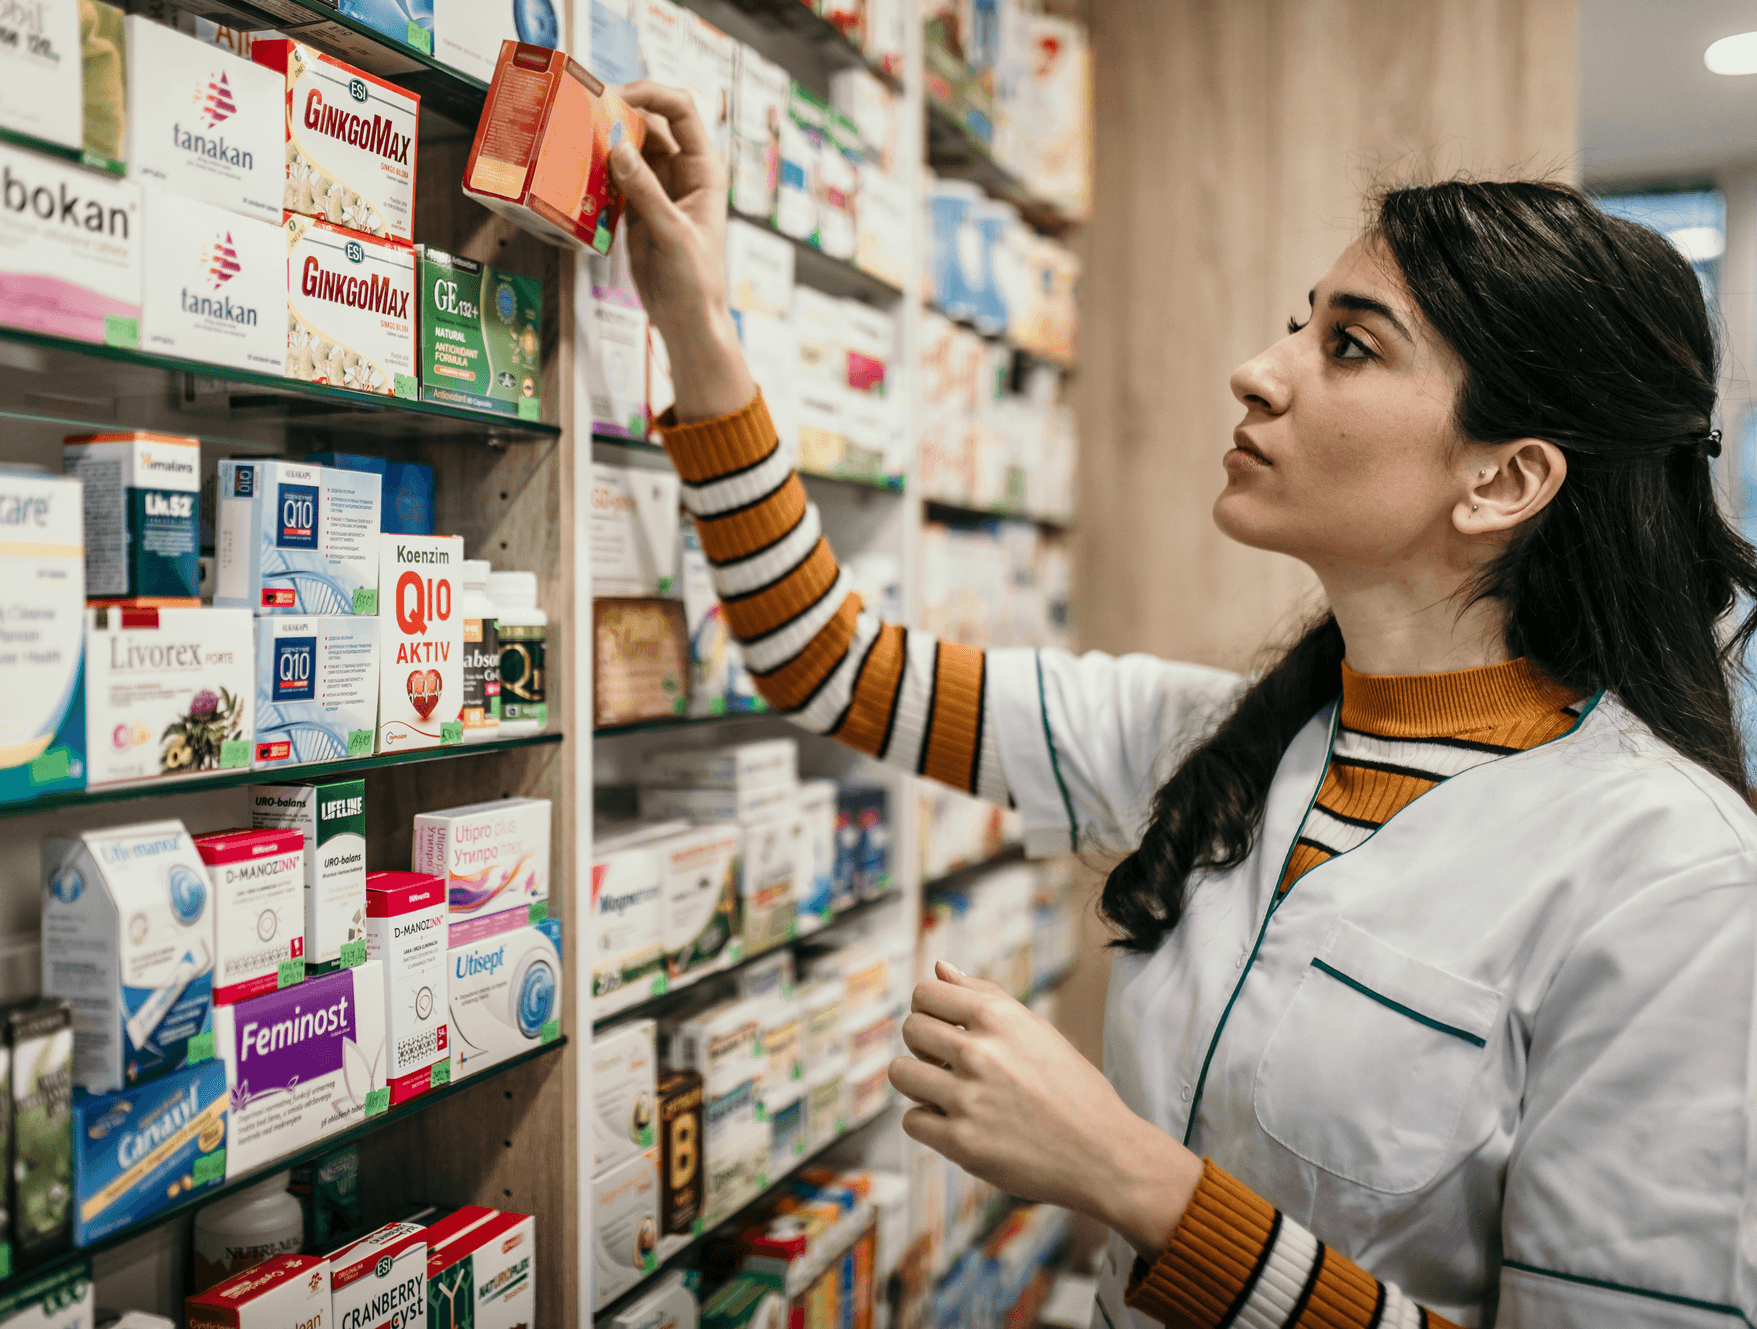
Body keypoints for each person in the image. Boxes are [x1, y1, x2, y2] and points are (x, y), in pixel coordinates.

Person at [609, 81, 1757, 1329]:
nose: (1256, 373)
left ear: (1504, 478)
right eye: (1296, 325)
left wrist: (1140, 1184)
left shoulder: (1672, 879)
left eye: (1348, 345)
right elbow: (826, 662)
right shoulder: (1217, 744)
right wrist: (692, 315)